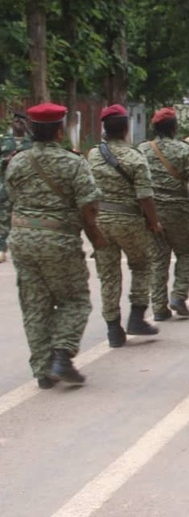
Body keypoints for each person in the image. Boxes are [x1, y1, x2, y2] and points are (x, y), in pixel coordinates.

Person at [6, 103, 107, 387]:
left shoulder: (17, 161)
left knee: (35, 305)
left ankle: (42, 370)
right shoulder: (73, 163)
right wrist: (96, 236)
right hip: (58, 240)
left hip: (22, 240)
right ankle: (62, 355)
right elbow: (88, 207)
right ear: (60, 131)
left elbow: (13, 197)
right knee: (75, 299)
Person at [88, 104, 162, 347]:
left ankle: (113, 329)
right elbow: (145, 196)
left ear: (105, 129)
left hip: (101, 221)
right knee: (142, 265)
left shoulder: (94, 155)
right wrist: (154, 222)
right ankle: (137, 317)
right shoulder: (135, 157)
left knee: (108, 275)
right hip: (129, 221)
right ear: (126, 129)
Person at [137, 107, 189, 321]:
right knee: (186, 253)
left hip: (151, 209)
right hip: (179, 208)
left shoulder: (143, 149)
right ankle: (179, 295)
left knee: (158, 258)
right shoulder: (184, 150)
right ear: (174, 128)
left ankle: (159, 307)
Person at [0, 113, 32, 263]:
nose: (18, 124)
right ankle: (1, 248)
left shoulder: (32, 142)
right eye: (15, 121)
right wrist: (4, 161)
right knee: (3, 218)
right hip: (5, 186)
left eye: (21, 121)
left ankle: (27, 249)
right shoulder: (4, 142)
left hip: (27, 188)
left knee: (28, 218)